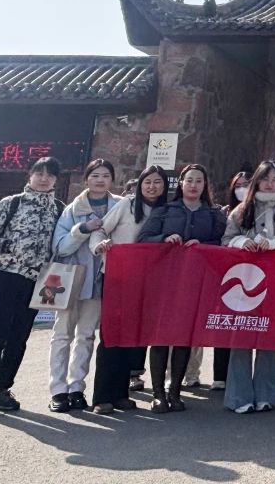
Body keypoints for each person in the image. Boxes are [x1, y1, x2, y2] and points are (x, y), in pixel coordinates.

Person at [0, 156, 64, 418]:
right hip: (4, 275)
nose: (44, 178)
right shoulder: (11, 203)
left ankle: (4, 388)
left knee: (19, 337)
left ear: (56, 180)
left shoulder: (59, 210)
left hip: (36, 280)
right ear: (30, 175)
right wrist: (8, 246)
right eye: (39, 173)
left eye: (50, 174)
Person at [138, 162, 226, 412]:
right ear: (181, 183)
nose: (194, 185)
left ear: (205, 185)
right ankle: (158, 394)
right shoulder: (165, 210)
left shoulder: (213, 214)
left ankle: (175, 391)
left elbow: (222, 243)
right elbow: (143, 239)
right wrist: (164, 239)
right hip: (165, 281)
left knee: (184, 337)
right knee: (160, 337)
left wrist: (204, 245)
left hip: (195, 282)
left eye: (199, 181)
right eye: (189, 180)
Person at [222, 160, 275, 414]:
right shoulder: (241, 210)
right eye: (265, 179)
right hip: (244, 280)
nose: (270, 184)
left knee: (269, 337)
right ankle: (239, 396)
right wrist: (240, 242)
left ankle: (266, 394)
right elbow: (226, 239)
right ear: (257, 180)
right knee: (241, 338)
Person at [89, 164, 167, 413]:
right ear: (140, 184)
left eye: (157, 182)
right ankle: (102, 396)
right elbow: (102, 228)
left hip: (147, 281)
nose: (152, 187)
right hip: (117, 276)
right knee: (111, 335)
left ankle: (121, 394)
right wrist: (99, 245)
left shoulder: (167, 210)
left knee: (130, 336)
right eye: (147, 182)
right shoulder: (126, 205)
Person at [45, 158, 121, 412]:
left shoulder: (119, 206)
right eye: (95, 175)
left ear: (112, 180)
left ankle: (77, 387)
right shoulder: (72, 209)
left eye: (105, 176)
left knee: (86, 335)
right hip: (70, 279)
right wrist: (82, 230)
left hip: (100, 279)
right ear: (86, 179)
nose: (100, 180)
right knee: (62, 334)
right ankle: (58, 389)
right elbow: (61, 247)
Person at [205, 168, 253, 391]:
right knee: (224, 323)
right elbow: (218, 241)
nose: (242, 189)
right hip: (225, 274)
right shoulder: (223, 213)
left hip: (251, 275)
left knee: (245, 326)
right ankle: (220, 375)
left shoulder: (256, 212)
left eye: (246, 185)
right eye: (238, 186)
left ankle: (240, 375)